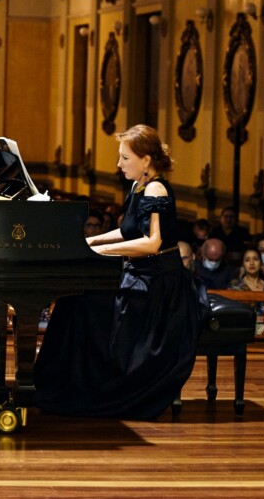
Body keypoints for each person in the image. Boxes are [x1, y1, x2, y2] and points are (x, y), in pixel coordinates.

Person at [34, 124, 208, 419]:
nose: (118, 164)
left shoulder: (156, 188)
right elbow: (127, 230)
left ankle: (84, 386)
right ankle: (61, 383)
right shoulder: (138, 185)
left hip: (159, 287)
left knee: (83, 304)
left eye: (125, 158)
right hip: (140, 276)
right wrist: (90, 240)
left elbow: (152, 243)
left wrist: (97, 252)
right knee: (73, 299)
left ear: (146, 160)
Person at [228, 248, 264, 333]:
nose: (251, 263)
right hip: (244, 329)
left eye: (255, 259)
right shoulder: (235, 287)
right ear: (243, 264)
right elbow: (230, 313)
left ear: (261, 263)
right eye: (247, 260)